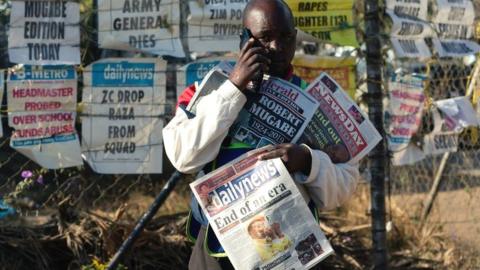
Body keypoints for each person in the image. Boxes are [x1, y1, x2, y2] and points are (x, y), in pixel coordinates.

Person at [163, 0, 360, 269]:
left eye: (286, 37)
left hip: (291, 247)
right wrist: (235, 87)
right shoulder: (207, 91)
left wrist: (307, 162)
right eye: (265, 38)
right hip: (220, 251)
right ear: (244, 39)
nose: (277, 48)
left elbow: (344, 186)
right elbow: (183, 158)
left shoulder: (313, 100)